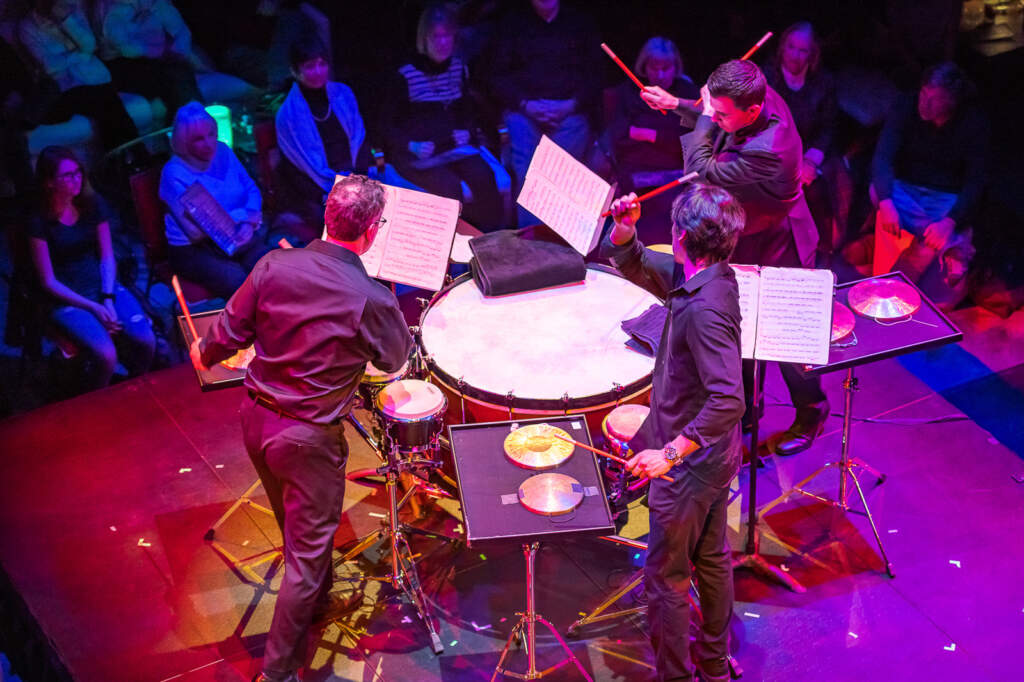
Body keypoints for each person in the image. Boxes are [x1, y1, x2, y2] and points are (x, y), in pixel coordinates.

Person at [190, 174, 414, 682]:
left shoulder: (273, 264)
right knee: (306, 559)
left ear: (328, 216)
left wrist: (202, 351)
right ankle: (279, 672)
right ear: (373, 229)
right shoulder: (369, 295)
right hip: (307, 440)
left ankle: (312, 606)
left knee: (299, 537)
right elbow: (394, 359)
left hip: (256, 421)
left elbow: (226, 334)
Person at [642, 59, 830, 456]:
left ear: (754, 110)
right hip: (747, 233)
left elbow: (699, 168)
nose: (716, 116)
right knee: (738, 329)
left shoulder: (771, 147)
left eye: (722, 113)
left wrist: (706, 115)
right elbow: (718, 115)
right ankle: (745, 411)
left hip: (784, 241)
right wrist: (676, 103)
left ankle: (812, 411)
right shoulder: (751, 93)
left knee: (784, 339)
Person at [603, 181, 746, 682]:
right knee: (712, 557)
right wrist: (625, 231)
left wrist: (671, 452)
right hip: (715, 457)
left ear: (681, 237)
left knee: (666, 578)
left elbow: (729, 397)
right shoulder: (710, 279)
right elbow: (641, 264)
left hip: (690, 465)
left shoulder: (704, 310)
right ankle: (713, 665)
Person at [28, 146, 155, 391]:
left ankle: (134, 391)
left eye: (77, 172)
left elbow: (107, 256)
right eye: (67, 176)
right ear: (49, 182)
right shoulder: (38, 220)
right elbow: (47, 280)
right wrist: (94, 307)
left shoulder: (91, 204)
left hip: (101, 286)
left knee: (145, 339)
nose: (76, 180)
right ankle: (96, 402)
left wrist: (107, 298)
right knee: (105, 355)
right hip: (66, 297)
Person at [275, 37, 418, 241]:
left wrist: (362, 175)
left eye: (322, 64)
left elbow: (360, 141)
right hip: (320, 186)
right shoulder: (287, 115)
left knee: (399, 200)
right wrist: (331, 191)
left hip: (356, 174)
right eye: (309, 66)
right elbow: (295, 170)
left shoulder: (343, 94)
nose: (318, 71)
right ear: (294, 71)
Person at [871, 62, 988, 308]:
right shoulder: (906, 105)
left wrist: (950, 221)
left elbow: (976, 180)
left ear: (952, 102)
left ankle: (890, 291)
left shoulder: (973, 123)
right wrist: (886, 201)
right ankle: (953, 244)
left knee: (930, 240)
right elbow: (883, 156)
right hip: (906, 190)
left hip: (943, 198)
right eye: (924, 94)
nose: (925, 104)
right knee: (877, 191)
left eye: (935, 100)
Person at [384, 3, 505, 230]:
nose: (442, 43)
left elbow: (468, 112)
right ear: (425, 39)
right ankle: (453, 252)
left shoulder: (458, 68)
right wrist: (412, 145)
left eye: (447, 37)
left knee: (484, 177)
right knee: (449, 188)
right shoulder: (406, 74)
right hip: (419, 154)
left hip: (452, 148)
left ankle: (493, 242)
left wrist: (466, 132)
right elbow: (387, 125)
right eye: (436, 37)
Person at [482, 0, 601, 225]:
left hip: (569, 112)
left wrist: (570, 105)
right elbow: (497, 77)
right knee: (528, 172)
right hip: (525, 111)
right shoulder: (512, 23)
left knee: (562, 173)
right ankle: (530, 241)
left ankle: (565, 238)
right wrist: (527, 104)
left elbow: (594, 76)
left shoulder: (579, 22)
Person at [159, 102, 268, 298]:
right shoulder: (174, 173)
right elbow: (195, 232)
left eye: (210, 134)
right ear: (184, 142)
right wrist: (244, 216)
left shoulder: (223, 150)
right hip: (195, 249)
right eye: (198, 139)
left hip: (234, 233)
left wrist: (247, 224)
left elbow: (251, 189)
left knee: (271, 269)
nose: (209, 143)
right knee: (240, 284)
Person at [602, 36, 700, 244]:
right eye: (655, 68)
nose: (661, 74)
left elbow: (686, 143)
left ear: (676, 66)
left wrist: (649, 134)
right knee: (626, 215)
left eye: (667, 68)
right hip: (636, 172)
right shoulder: (628, 91)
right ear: (644, 66)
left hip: (675, 175)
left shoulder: (686, 94)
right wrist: (667, 136)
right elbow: (620, 137)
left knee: (671, 217)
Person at [18, 0, 142, 151]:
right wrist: (78, 55)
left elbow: (90, 44)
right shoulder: (27, 26)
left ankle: (124, 159)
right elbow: (50, 66)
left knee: (107, 105)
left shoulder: (71, 11)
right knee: (106, 104)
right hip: (66, 86)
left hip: (95, 78)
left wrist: (66, 20)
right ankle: (135, 154)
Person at [764, 22, 841, 260]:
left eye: (802, 50)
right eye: (791, 48)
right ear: (782, 49)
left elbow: (828, 127)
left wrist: (810, 160)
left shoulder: (824, 82)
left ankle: (822, 251)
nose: (795, 56)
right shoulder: (766, 78)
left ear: (812, 53)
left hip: (809, 155)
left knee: (818, 191)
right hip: (774, 152)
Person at [92, 0, 205, 113]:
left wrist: (176, 49)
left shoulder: (155, 4)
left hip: (156, 59)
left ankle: (195, 120)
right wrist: (161, 52)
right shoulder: (110, 9)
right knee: (170, 75)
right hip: (122, 64)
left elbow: (181, 32)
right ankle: (194, 121)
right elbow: (127, 49)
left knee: (176, 70)